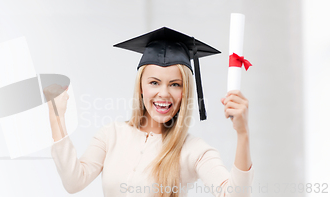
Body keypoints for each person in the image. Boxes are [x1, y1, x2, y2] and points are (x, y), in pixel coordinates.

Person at [43, 27, 253, 197]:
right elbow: (73, 181)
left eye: (175, 84)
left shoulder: (193, 150)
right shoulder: (111, 135)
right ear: (141, 87)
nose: (164, 93)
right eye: (154, 82)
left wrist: (243, 134)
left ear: (185, 91)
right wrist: (56, 117)